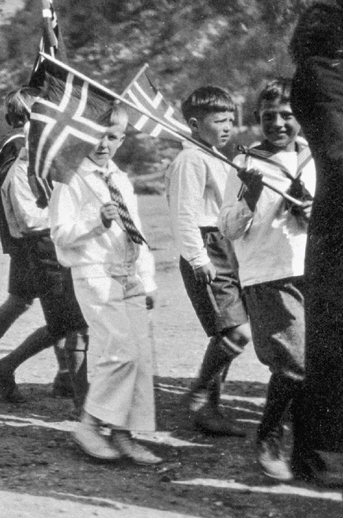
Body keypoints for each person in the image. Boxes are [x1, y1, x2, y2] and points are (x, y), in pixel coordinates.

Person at [51, 103, 161, 466]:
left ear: (122, 139)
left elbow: (136, 231)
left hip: (128, 270)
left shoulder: (119, 178)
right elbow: (60, 233)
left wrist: (146, 278)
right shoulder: (69, 176)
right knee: (120, 350)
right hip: (94, 271)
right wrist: (96, 222)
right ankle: (89, 424)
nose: (103, 144)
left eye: (112, 137)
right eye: (97, 135)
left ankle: (123, 431)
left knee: (140, 355)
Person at [219, 78, 314, 482]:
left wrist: (309, 209)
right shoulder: (246, 163)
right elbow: (228, 226)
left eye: (287, 116)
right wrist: (252, 197)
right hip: (268, 274)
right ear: (257, 119)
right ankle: (267, 436)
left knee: (319, 364)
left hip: (314, 270)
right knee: (293, 363)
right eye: (269, 116)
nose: (278, 123)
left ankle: (310, 449)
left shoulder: (315, 157)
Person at [0, 125, 89, 407]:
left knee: (65, 323)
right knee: (70, 323)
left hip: (63, 245)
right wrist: (70, 220)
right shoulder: (19, 173)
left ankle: (7, 367)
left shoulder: (51, 169)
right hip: (43, 249)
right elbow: (30, 221)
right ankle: (82, 403)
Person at [166, 86, 251, 437]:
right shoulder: (191, 159)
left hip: (224, 246)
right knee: (236, 331)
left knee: (228, 330)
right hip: (206, 248)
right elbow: (183, 215)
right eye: (220, 120)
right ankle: (200, 395)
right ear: (195, 124)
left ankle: (210, 407)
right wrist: (198, 257)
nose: (228, 126)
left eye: (231, 119)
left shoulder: (214, 155)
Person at [288, 0, 343, 484]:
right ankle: (321, 456)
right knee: (333, 341)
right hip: (339, 228)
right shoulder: (320, 69)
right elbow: (335, 149)